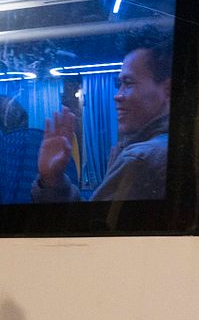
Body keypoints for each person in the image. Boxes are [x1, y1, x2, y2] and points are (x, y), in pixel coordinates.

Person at [32, 29, 170, 202]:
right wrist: (53, 178)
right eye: (119, 84)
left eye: (128, 83)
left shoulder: (140, 159)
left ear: (168, 90)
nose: (117, 96)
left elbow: (88, 221)